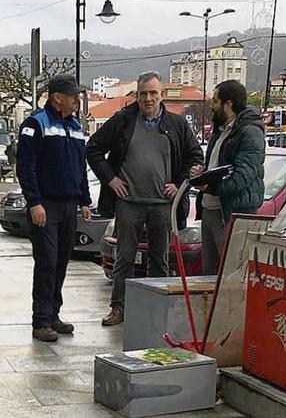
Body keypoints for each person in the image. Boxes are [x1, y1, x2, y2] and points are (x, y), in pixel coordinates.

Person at [86, 71, 203, 326]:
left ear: (161, 95)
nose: (148, 99)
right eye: (143, 94)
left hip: (163, 205)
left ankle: (155, 310)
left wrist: (180, 183)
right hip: (130, 202)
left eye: (153, 93)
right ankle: (119, 308)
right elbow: (93, 148)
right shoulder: (123, 121)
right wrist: (111, 179)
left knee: (159, 260)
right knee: (124, 257)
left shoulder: (177, 125)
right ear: (137, 96)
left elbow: (195, 157)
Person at [17, 74, 92, 342]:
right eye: (73, 96)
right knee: (46, 263)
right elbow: (25, 167)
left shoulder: (74, 126)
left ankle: (53, 315)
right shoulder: (35, 124)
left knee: (61, 262)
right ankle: (40, 322)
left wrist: (85, 200)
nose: (77, 100)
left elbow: (80, 167)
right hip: (45, 206)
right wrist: (34, 202)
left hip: (69, 205)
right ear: (57, 97)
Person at [191, 80, 265, 275]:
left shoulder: (250, 133)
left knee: (230, 275)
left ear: (228, 104)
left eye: (215, 101)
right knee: (210, 274)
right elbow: (219, 167)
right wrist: (203, 173)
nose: (211, 106)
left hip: (231, 214)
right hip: (211, 210)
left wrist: (210, 187)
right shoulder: (220, 132)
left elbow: (242, 178)